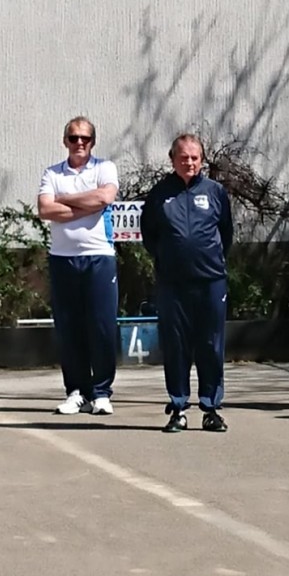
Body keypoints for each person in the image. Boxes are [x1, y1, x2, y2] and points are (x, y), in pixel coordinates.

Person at [141, 134, 233, 433]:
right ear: (173, 160)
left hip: (210, 281)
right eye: (183, 157)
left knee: (210, 345)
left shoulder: (215, 192)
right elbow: (149, 235)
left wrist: (209, 259)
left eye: (194, 157)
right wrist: (169, 258)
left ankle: (211, 409)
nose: (189, 162)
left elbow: (226, 234)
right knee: (176, 345)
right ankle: (178, 407)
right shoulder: (159, 194)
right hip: (173, 284)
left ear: (202, 160)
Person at [37, 116, 119, 415]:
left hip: (99, 257)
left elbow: (105, 196)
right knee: (69, 328)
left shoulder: (104, 168)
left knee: (102, 326)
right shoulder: (52, 172)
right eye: (74, 138)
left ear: (92, 142)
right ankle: (76, 391)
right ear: (65, 141)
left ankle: (102, 392)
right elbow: (45, 209)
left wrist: (65, 200)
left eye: (85, 138)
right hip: (62, 258)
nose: (79, 143)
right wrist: (87, 206)